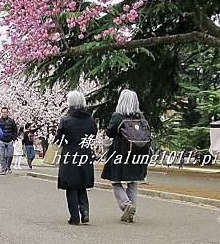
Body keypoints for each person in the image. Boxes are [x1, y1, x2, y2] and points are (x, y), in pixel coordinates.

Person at [101, 89, 151, 224]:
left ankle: (126, 204)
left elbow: (110, 133)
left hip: (120, 153)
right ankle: (131, 213)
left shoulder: (117, 117)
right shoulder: (141, 117)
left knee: (115, 181)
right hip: (138, 155)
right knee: (133, 183)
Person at [55, 91, 97, 225]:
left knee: (71, 186)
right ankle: (85, 211)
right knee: (82, 185)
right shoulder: (90, 120)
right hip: (85, 153)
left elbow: (59, 140)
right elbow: (93, 136)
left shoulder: (66, 120)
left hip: (70, 154)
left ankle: (74, 217)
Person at [0, 107, 18, 175]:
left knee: (10, 155)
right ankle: (3, 169)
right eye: (3, 112)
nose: (4, 114)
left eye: (5, 112)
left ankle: (8, 166)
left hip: (10, 140)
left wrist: (14, 138)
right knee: (2, 156)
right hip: (1, 140)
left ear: (7, 112)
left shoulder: (11, 121)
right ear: (1, 113)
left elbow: (15, 130)